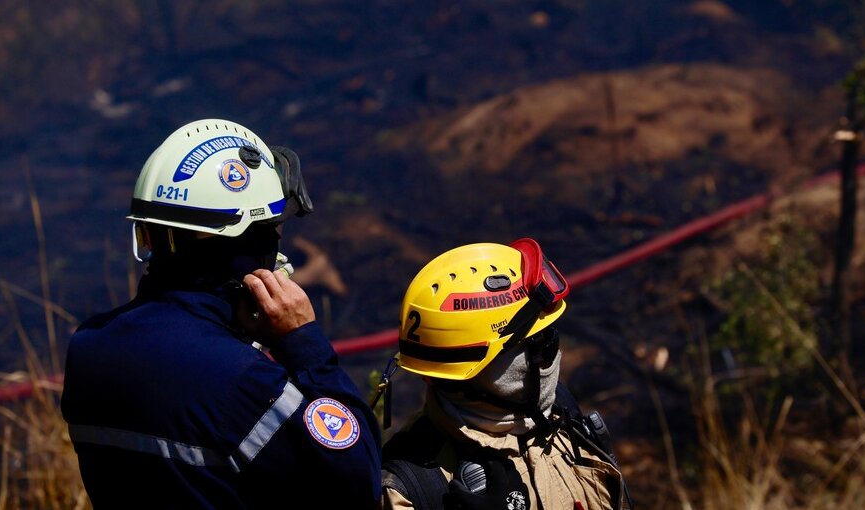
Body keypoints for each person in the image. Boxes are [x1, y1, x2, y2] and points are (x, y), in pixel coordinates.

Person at [60, 118, 382, 509]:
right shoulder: (245, 382)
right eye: (272, 232)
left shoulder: (87, 348)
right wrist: (304, 345)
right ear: (250, 245)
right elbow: (358, 481)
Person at [379, 238, 633, 510]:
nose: (554, 356)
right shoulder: (408, 490)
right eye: (542, 345)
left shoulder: (559, 416)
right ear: (479, 369)